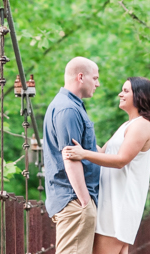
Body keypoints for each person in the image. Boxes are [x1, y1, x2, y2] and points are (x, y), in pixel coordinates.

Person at [62, 77, 150, 254]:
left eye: (126, 91)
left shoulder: (142, 125)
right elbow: (103, 153)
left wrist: (83, 154)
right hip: (112, 203)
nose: (120, 94)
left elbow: (120, 160)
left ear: (140, 96)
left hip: (119, 206)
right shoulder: (128, 124)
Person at [43, 57, 102, 254]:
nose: (97, 83)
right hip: (75, 201)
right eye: (94, 78)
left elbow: (88, 149)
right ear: (80, 77)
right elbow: (71, 158)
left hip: (73, 200)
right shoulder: (68, 109)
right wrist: (85, 203)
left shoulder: (70, 106)